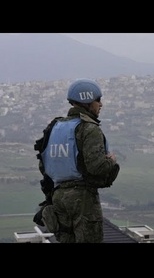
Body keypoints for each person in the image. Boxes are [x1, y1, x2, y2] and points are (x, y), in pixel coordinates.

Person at [33, 78, 120, 243]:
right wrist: (111, 161)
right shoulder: (89, 128)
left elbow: (44, 164)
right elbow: (96, 167)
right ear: (87, 101)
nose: (100, 105)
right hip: (83, 199)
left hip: (58, 197)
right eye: (98, 100)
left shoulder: (56, 127)